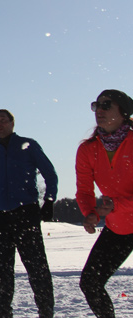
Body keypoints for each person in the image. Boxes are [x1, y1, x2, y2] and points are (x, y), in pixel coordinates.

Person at [0, 109, 57, 318]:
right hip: (2, 216)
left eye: (3, 121)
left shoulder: (28, 145)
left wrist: (49, 200)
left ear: (12, 123)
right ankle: (2, 312)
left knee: (36, 266)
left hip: (26, 213)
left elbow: (50, 174)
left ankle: (46, 311)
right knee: (2, 270)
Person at [75, 89, 133, 318]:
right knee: (90, 283)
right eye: (96, 105)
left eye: (107, 105)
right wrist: (90, 213)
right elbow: (84, 190)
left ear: (123, 112)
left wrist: (118, 205)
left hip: (121, 215)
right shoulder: (88, 149)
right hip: (120, 227)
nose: (99, 110)